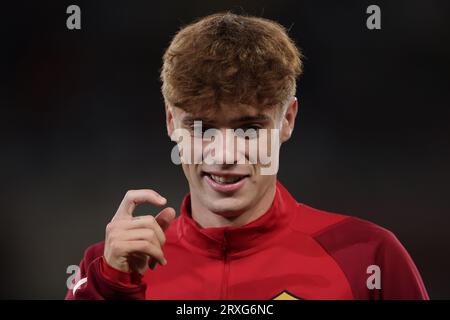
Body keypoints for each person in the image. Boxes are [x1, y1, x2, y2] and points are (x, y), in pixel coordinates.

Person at [65, 12, 428, 300]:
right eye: (202, 127)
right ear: (171, 122)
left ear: (288, 120)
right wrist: (109, 287)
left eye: (250, 128)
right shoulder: (110, 269)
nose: (224, 153)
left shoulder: (367, 257)